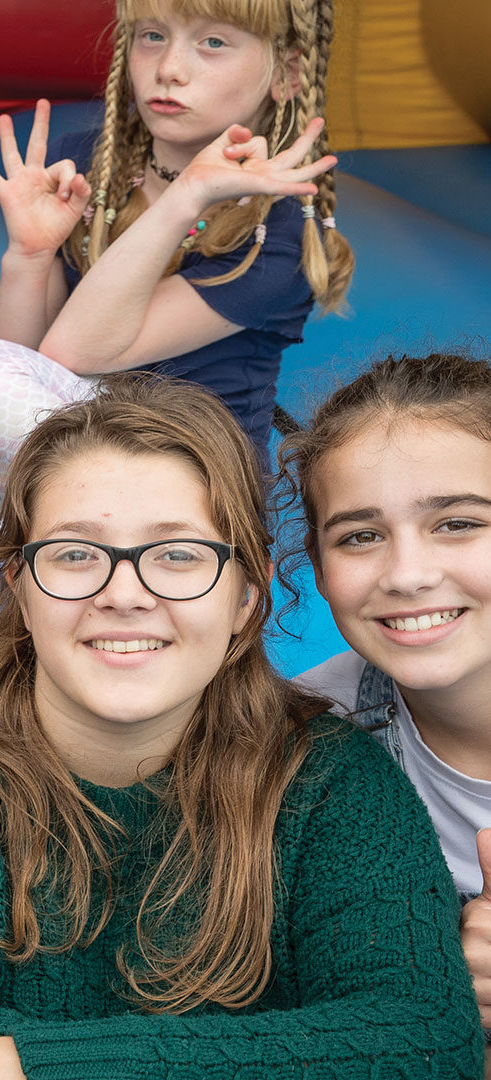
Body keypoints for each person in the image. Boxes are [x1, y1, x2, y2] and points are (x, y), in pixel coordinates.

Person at [0, 376, 480, 1078]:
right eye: (74, 554)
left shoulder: (329, 777)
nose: (123, 594)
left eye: (178, 556)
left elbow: (421, 1039)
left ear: (246, 600)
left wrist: (44, 1063)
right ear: (20, 590)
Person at [0, 0, 355, 538]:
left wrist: (185, 198)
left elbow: (76, 352)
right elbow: (15, 362)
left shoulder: (281, 232)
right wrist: (30, 257)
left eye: (213, 43)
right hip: (77, 448)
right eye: (152, 35)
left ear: (287, 74)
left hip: (190, 483)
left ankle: (61, 548)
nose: (169, 68)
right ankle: (47, 546)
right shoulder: (92, 165)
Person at [285, 353, 491, 1042]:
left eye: (459, 523)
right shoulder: (306, 741)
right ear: (316, 566)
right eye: (361, 536)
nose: (407, 574)